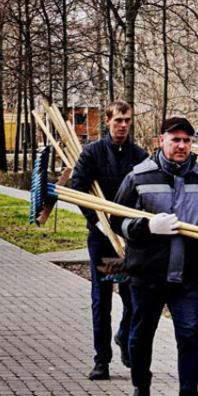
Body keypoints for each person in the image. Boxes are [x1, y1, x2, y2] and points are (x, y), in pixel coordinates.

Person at [110, 117, 198, 396]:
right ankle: (141, 387)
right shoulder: (138, 177)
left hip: (189, 276)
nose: (181, 146)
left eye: (186, 140)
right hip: (147, 273)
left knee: (190, 336)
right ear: (161, 141)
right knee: (141, 335)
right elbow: (116, 220)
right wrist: (147, 225)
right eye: (175, 139)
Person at [72, 101, 148, 381]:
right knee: (101, 300)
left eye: (127, 120)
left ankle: (125, 337)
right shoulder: (93, 153)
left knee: (132, 296)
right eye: (118, 120)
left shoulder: (140, 156)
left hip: (130, 240)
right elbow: (78, 187)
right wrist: (99, 223)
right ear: (108, 122)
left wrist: (132, 228)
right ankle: (101, 360)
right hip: (103, 239)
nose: (123, 125)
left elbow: (145, 193)